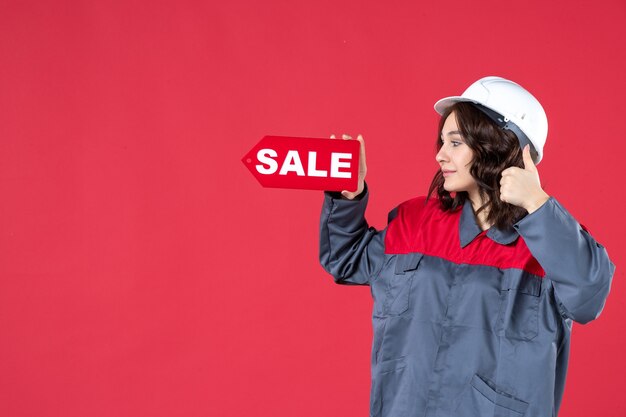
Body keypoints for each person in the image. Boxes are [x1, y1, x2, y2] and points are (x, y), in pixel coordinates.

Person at [319, 76, 615, 417]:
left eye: (456, 143)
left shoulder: (550, 242)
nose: (441, 154)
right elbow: (346, 260)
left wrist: (538, 204)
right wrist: (347, 198)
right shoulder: (415, 221)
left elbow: (589, 296)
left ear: (499, 146)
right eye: (442, 141)